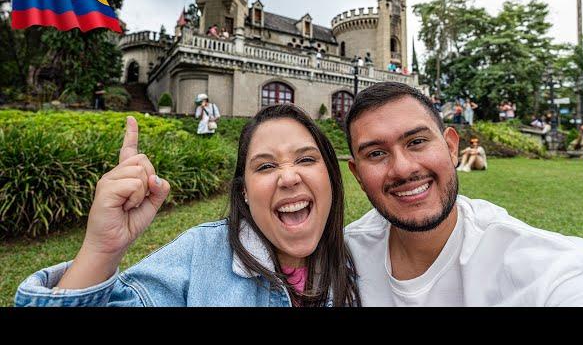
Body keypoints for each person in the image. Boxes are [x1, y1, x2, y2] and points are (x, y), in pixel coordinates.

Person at [15, 104, 361, 307]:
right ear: (242, 191)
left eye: (305, 159)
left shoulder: (362, 259)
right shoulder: (200, 257)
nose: (288, 178)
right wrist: (101, 250)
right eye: (266, 166)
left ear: (331, 176)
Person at [343, 81, 583, 306]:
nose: (403, 169)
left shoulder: (539, 265)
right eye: (377, 153)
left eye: (417, 141)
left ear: (451, 147)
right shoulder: (343, 253)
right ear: (357, 174)